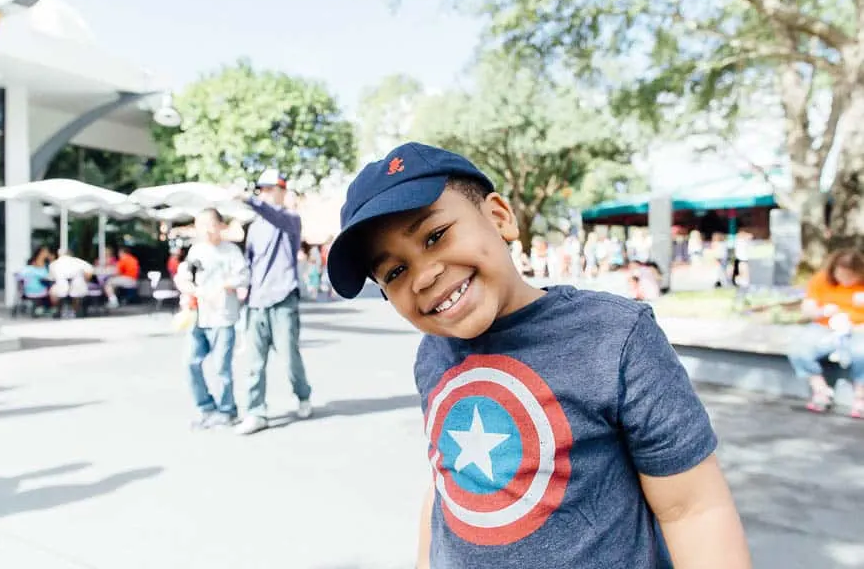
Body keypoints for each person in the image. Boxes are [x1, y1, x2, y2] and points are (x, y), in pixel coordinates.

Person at [326, 142, 751, 569]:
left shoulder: (615, 336)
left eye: (436, 236)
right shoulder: (432, 356)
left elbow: (693, 510)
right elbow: (445, 485)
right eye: (395, 272)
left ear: (499, 217)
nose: (425, 275)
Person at [232, 169, 313, 436]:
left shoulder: (289, 219)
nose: (266, 194)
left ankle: (302, 395)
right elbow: (250, 262)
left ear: (281, 191)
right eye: (262, 190)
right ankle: (256, 412)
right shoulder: (254, 228)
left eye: (271, 189)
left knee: (290, 358)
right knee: (255, 363)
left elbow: (273, 214)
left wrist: (248, 199)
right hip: (257, 302)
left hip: (283, 298)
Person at [174, 208, 249, 429]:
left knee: (221, 367)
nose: (206, 229)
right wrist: (190, 289)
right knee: (190, 363)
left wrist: (224, 286)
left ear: (220, 225)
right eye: (201, 224)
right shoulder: (196, 251)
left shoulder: (231, 252)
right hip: (199, 315)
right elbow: (185, 276)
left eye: (210, 224)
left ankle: (227, 410)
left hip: (223, 316)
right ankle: (206, 407)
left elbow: (244, 276)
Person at [788, 249, 864, 418]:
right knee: (800, 350)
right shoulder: (822, 280)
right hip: (826, 326)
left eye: (851, 277)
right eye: (842, 276)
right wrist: (821, 312)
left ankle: (860, 397)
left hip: (858, 327)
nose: (846, 281)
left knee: (861, 353)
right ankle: (820, 390)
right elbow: (808, 309)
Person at [48, 249, 94, 317]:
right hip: (78, 287)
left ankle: (58, 310)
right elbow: (90, 271)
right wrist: (85, 280)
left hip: (61, 288)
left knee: (53, 291)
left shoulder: (54, 264)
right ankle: (77, 311)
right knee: (77, 294)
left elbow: (51, 278)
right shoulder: (79, 261)